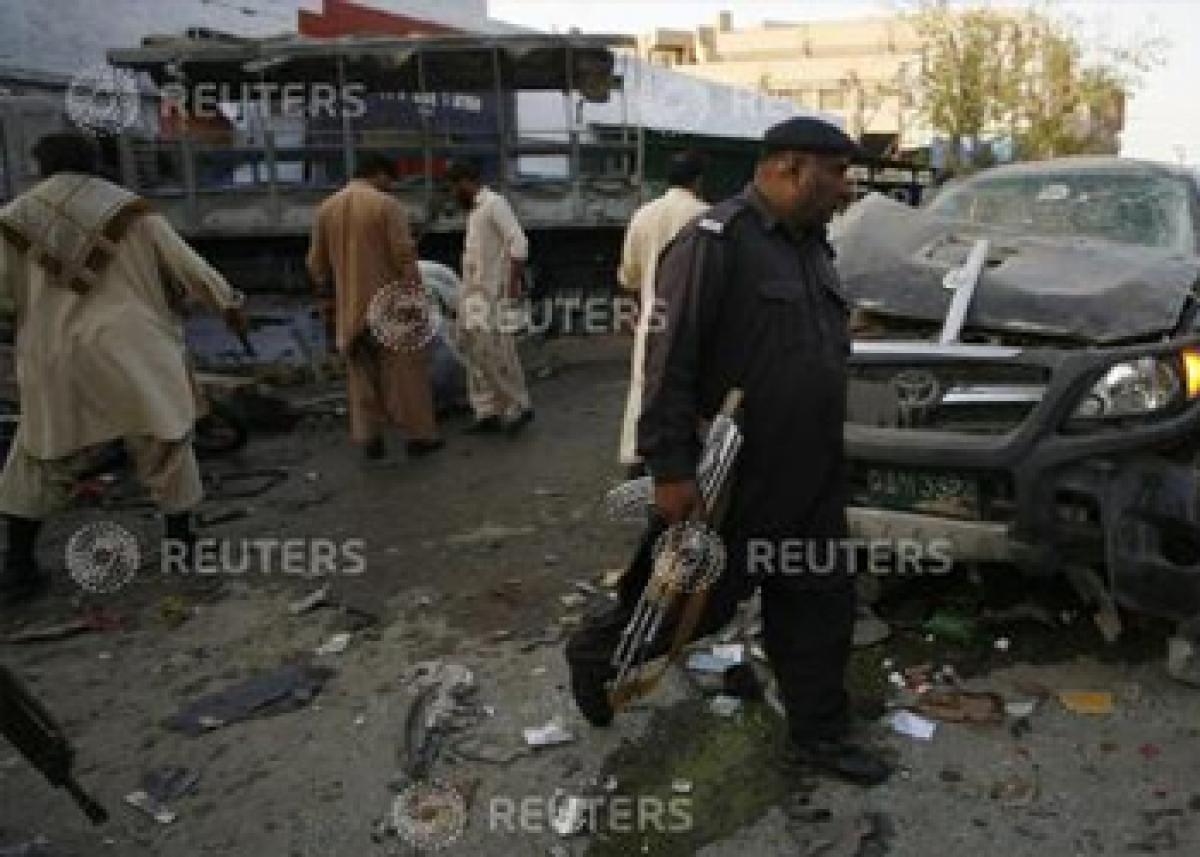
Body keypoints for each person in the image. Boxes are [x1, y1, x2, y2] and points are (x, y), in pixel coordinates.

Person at [566, 117, 891, 786]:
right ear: (791, 167)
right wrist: (670, 469)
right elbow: (668, 357)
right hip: (732, 478)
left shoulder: (812, 249)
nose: (845, 189)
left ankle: (819, 731)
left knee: (819, 603)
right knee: (689, 604)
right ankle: (597, 655)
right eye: (836, 174)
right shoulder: (716, 241)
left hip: (813, 471)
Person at [0, 132, 249, 603]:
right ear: (95, 164)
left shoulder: (13, 218)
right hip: (135, 348)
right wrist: (230, 304)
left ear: (40, 164)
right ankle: (182, 546)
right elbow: (190, 269)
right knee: (167, 445)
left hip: (54, 355)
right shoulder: (132, 212)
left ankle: (17, 567)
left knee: (40, 455)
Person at [307, 153, 443, 460]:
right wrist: (416, 300)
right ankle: (418, 436)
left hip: (350, 310)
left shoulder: (326, 209)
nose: (392, 186)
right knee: (406, 374)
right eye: (390, 179)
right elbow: (404, 257)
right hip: (389, 305)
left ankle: (370, 439)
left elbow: (316, 264)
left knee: (361, 376)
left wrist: (328, 299)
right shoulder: (386, 206)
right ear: (378, 174)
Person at [616, 151, 709, 477]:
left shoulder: (643, 216)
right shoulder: (707, 217)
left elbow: (629, 276)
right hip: (694, 323)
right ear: (699, 181)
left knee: (645, 386)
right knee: (689, 393)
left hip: (652, 319)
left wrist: (634, 311)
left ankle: (639, 457)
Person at [444, 160, 533, 436]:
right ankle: (487, 411)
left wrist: (513, 284)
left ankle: (518, 406)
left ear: (466, 182)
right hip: (473, 293)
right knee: (474, 352)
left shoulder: (495, 204)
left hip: (492, 294)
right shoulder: (475, 211)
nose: (452, 193)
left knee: (498, 352)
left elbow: (518, 243)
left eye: (454, 187)